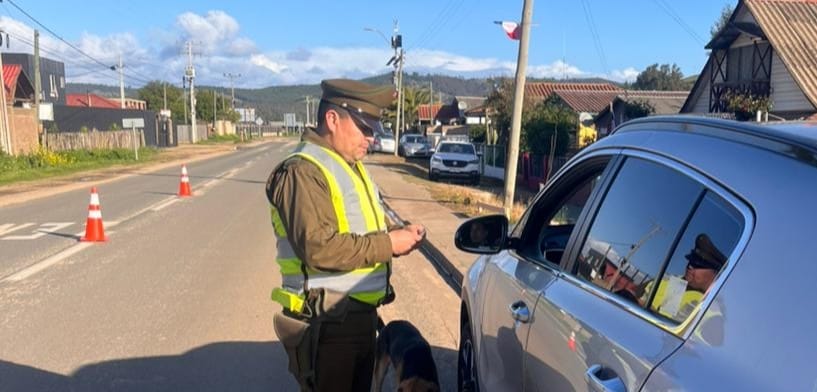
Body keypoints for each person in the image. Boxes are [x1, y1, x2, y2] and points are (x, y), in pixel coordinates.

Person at [265, 79, 426, 392]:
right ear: (332, 119)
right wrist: (388, 244)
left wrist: (397, 234)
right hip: (328, 323)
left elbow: (358, 231)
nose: (370, 138)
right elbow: (318, 247)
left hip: (357, 319)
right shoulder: (304, 171)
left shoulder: (350, 167)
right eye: (364, 128)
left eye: (373, 129)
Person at [643, 233, 727, 321]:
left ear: (715, 273)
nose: (690, 266)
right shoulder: (668, 282)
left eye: (697, 265)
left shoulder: (712, 313)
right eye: (691, 261)